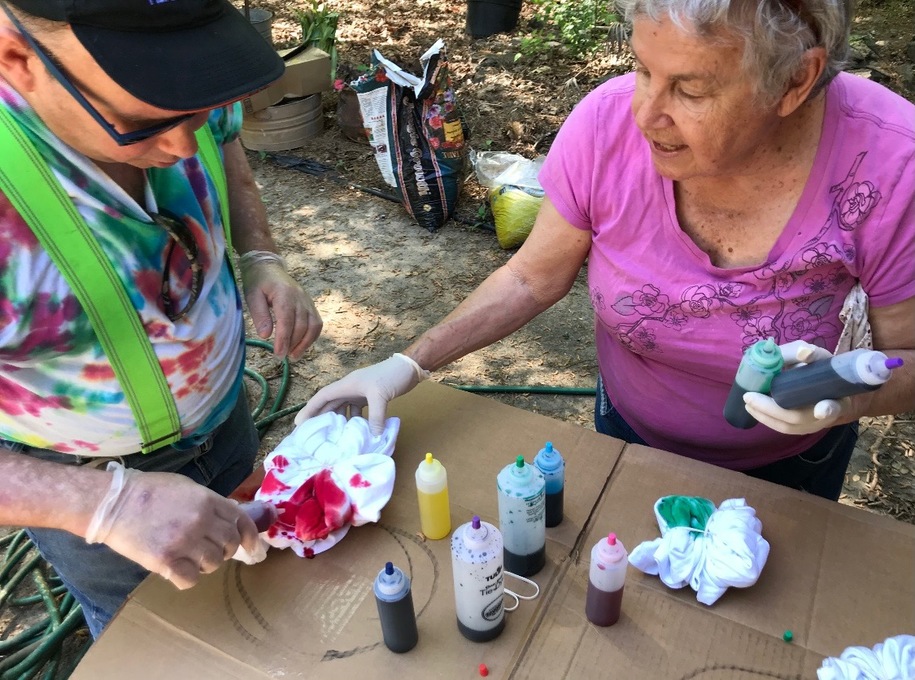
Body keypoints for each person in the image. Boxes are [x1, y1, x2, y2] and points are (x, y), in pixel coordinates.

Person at [298, 0, 914, 502]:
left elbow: (907, 360)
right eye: (643, 69)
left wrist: (847, 398)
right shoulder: (606, 124)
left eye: (691, 90)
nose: (644, 114)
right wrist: (407, 364)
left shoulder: (892, 167)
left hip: (788, 471)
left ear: (795, 80)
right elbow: (531, 278)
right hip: (625, 436)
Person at [0, 0, 323, 638]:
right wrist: (106, 505)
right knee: (158, 647)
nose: (181, 147)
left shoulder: (177, 76)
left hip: (226, 427)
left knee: (263, 609)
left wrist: (262, 257)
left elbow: (224, 146)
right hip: (90, 495)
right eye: (141, 123)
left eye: (196, 110)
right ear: (19, 60)